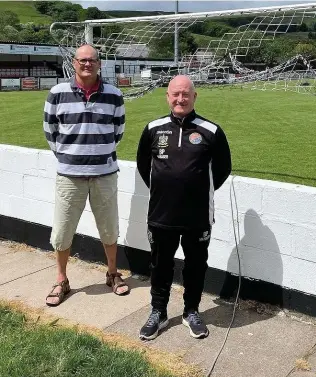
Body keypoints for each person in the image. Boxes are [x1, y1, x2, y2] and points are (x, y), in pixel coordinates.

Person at [136, 75, 231, 340]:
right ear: (167, 96)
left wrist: (194, 190)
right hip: (161, 214)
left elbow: (223, 170)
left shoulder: (211, 131)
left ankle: (191, 311)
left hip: (197, 216)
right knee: (160, 265)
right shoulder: (153, 129)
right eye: (175, 94)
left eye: (185, 94)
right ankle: (158, 312)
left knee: (196, 265)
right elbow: (145, 167)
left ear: (194, 97)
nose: (180, 99)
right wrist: (168, 189)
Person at [43, 44, 129, 306]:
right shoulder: (57, 94)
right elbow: (50, 131)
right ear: (74, 63)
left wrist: (97, 154)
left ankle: (112, 274)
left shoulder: (114, 95)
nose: (87, 64)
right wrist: (71, 157)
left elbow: (118, 132)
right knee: (63, 230)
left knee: (109, 228)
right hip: (70, 176)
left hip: (104, 174)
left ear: (99, 63)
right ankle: (61, 280)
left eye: (92, 60)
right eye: (82, 60)